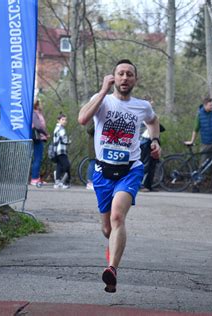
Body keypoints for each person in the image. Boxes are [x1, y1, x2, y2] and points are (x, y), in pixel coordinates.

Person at [78, 59, 161, 293]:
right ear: (113, 77)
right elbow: (83, 119)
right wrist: (103, 91)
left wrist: (154, 140)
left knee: (117, 217)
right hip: (103, 171)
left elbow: (153, 121)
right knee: (107, 229)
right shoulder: (102, 99)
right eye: (121, 73)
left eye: (130, 74)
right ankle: (112, 252)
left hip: (130, 169)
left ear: (135, 80)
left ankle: (112, 269)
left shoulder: (142, 106)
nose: (125, 78)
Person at [30, 100, 49, 185]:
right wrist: (46, 133)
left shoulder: (37, 113)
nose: (42, 105)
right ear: (37, 106)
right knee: (37, 159)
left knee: (38, 158)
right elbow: (38, 126)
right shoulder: (34, 113)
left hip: (40, 138)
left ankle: (36, 178)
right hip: (37, 138)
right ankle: (34, 179)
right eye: (40, 104)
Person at [53, 113, 71, 189]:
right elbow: (64, 139)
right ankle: (61, 180)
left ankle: (58, 182)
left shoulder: (57, 128)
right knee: (67, 165)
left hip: (57, 150)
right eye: (62, 119)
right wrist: (69, 141)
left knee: (59, 166)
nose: (64, 121)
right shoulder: (60, 128)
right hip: (60, 150)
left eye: (65, 120)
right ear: (58, 120)